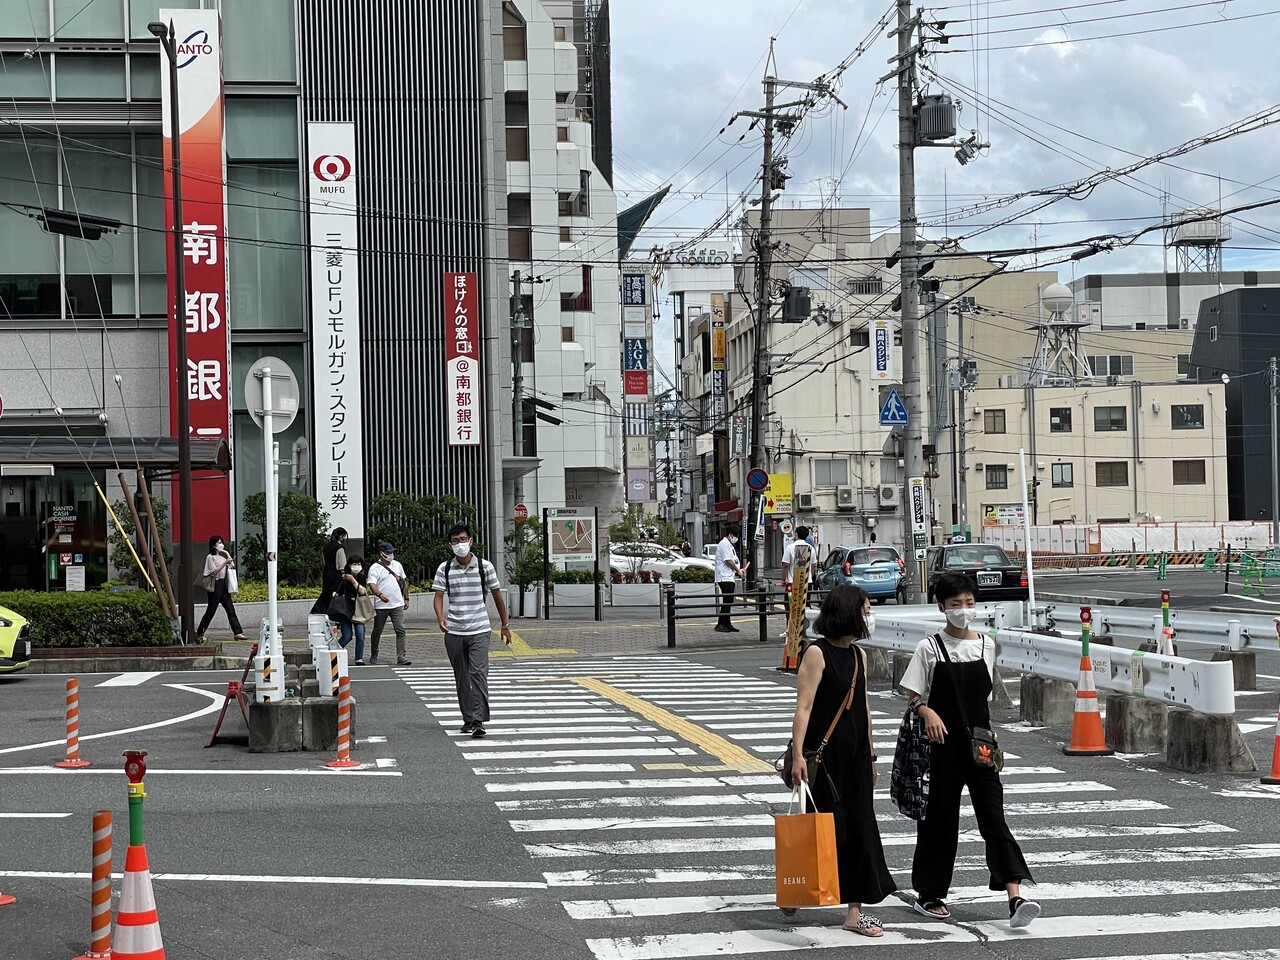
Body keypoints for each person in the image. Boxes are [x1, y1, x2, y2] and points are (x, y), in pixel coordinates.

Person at [901, 571, 1041, 928]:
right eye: (955, 604)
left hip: (981, 747)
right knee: (939, 822)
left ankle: (1016, 896)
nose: (963, 610)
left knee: (994, 819)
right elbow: (912, 695)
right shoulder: (928, 647)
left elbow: (986, 697)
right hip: (941, 747)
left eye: (968, 603)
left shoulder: (987, 644)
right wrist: (925, 709)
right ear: (941, 607)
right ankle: (929, 894)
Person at [787, 584, 895, 935]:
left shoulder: (859, 656)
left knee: (861, 828)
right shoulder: (817, 653)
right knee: (821, 827)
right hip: (824, 755)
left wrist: (873, 756)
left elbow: (863, 709)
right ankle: (796, 886)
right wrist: (799, 756)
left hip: (857, 756)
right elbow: (803, 707)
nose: (868, 616)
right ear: (848, 612)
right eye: (864, 609)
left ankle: (853, 913)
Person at [433, 525, 512, 738]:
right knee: (461, 676)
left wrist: (505, 625)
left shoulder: (484, 567)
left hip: (479, 629)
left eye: (463, 539)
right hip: (454, 630)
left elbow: (496, 595)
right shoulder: (445, 569)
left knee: (477, 673)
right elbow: (439, 596)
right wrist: (440, 617)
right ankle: (468, 718)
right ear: (450, 544)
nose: (460, 544)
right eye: (455, 540)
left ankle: (478, 720)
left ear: (471, 541)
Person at [367, 541, 411, 666]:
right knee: (377, 630)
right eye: (388, 553)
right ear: (382, 554)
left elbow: (404, 581)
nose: (391, 555)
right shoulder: (375, 568)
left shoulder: (397, 565)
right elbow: (372, 585)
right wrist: (380, 595)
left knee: (400, 629)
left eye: (392, 552)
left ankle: (401, 656)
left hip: (397, 603)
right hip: (382, 605)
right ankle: (374, 652)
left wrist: (406, 598)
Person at [196, 535, 247, 642]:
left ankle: (237, 632)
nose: (221, 544)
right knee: (211, 610)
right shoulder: (210, 557)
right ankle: (200, 632)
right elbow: (214, 572)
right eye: (218, 543)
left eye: (221, 542)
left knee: (230, 608)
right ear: (213, 545)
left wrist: (227, 554)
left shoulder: (223, 556)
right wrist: (224, 563)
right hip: (215, 584)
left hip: (223, 584)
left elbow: (232, 565)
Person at [334, 555, 369, 665]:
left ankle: (359, 658)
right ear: (349, 565)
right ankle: (334, 652)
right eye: (354, 564)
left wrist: (353, 580)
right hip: (344, 609)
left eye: (359, 564)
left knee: (360, 634)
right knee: (347, 636)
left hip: (358, 609)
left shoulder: (361, 577)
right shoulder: (342, 577)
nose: (357, 566)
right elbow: (336, 591)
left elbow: (363, 591)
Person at [714, 523, 745, 632]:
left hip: (729, 576)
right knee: (727, 601)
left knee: (729, 601)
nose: (736, 538)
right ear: (730, 534)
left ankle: (727, 623)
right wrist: (738, 570)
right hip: (724, 577)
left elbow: (733, 561)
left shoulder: (729, 545)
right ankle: (721, 624)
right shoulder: (724, 544)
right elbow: (728, 561)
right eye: (735, 535)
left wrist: (739, 570)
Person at [311, 528, 348, 615]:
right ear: (340, 536)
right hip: (336, 574)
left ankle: (319, 609)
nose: (345, 538)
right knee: (338, 594)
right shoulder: (340, 548)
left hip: (327, 572)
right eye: (344, 536)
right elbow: (342, 564)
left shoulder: (326, 547)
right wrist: (344, 574)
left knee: (326, 592)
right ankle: (337, 613)